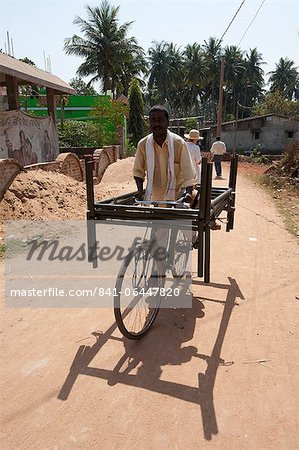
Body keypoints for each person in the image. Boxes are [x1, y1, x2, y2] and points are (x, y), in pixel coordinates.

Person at [133, 105, 197, 203]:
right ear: (149, 123)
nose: (156, 124)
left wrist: (188, 193)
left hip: (177, 198)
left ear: (167, 123)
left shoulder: (178, 143)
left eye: (160, 120)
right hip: (154, 199)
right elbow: (138, 172)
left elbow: (188, 173)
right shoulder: (143, 145)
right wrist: (140, 192)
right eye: (153, 120)